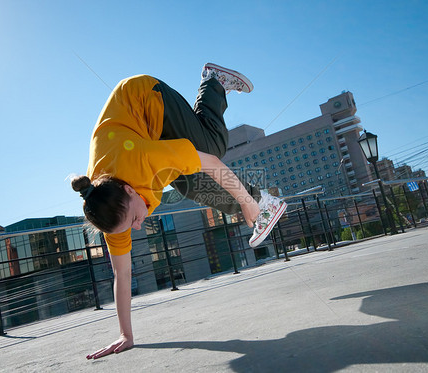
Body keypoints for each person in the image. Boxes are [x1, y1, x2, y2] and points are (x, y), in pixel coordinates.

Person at [72, 63, 287, 359]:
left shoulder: (142, 160)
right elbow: (122, 274)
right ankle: (263, 202)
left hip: (145, 100)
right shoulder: (108, 212)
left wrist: (247, 202)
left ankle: (213, 82)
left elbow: (211, 163)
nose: (137, 227)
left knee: (212, 146)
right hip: (134, 132)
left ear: (130, 190)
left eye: (135, 218)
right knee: (189, 185)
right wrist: (126, 334)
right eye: (131, 226)